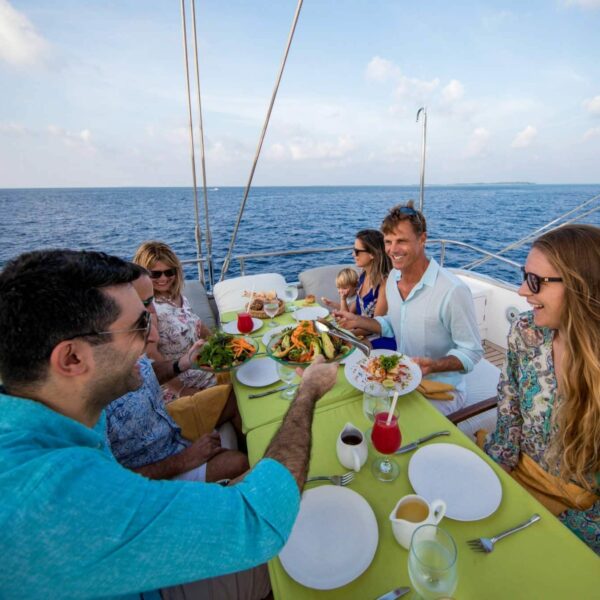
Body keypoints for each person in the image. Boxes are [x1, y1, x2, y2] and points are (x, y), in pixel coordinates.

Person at [0, 249, 338, 599]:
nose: (153, 332)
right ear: (72, 358)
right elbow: (259, 521)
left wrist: (179, 365)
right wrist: (308, 393)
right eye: (139, 324)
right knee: (289, 568)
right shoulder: (57, 498)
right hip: (156, 586)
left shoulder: (48, 412)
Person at [484, 225, 600, 554]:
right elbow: (509, 412)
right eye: (524, 276)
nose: (522, 290)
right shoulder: (524, 331)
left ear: (581, 287)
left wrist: (557, 529)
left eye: (536, 281)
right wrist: (495, 474)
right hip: (521, 474)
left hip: (580, 516)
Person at [334, 203, 483, 415]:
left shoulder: (452, 290)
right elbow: (390, 323)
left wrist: (434, 365)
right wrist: (357, 321)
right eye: (388, 242)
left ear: (423, 239)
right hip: (400, 380)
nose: (393, 250)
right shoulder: (394, 278)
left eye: (401, 241)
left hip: (439, 391)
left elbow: (472, 351)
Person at [105, 267, 246, 483]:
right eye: (144, 305)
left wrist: (183, 363)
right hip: (158, 464)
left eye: (151, 301)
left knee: (237, 397)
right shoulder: (87, 407)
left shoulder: (125, 343)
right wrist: (185, 459)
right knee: (240, 464)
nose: (153, 336)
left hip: (169, 424)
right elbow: (111, 482)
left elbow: (147, 371)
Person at [133, 240, 214, 402]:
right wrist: (181, 390)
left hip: (198, 366)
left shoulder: (178, 297)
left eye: (169, 272)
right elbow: (151, 355)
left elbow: (199, 326)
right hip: (177, 380)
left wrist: (221, 344)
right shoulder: (150, 309)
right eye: (155, 274)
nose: (163, 278)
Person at [323, 229, 396, 350]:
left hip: (378, 338)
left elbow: (376, 326)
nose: (353, 254)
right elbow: (357, 307)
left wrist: (346, 334)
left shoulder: (384, 284)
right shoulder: (363, 276)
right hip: (360, 332)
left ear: (372, 254)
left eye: (357, 251)